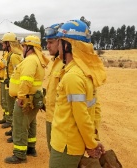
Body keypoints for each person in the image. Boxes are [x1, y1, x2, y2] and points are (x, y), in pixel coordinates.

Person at [49, 20, 106, 167]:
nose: (57, 46)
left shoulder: (72, 76)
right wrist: (92, 139)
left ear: (67, 45)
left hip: (66, 146)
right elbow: (94, 109)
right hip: (74, 143)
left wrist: (92, 145)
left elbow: (81, 116)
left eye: (59, 41)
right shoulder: (85, 72)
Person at [5, 35, 49, 164]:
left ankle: (19, 154)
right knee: (31, 123)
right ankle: (31, 148)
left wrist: (21, 96)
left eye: (24, 46)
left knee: (19, 125)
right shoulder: (37, 59)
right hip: (33, 98)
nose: (22, 48)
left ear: (30, 47)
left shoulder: (30, 60)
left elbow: (26, 80)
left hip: (26, 99)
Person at [43, 23, 65, 151]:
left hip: (59, 121)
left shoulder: (66, 64)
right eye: (47, 42)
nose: (48, 45)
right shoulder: (56, 62)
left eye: (51, 42)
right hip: (50, 117)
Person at [0, 32, 23, 138]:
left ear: (9, 44)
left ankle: (15, 132)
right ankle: (13, 129)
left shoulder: (14, 56)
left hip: (13, 86)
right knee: (10, 108)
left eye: (4, 43)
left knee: (13, 110)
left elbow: (17, 72)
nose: (2, 45)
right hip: (10, 85)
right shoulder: (10, 55)